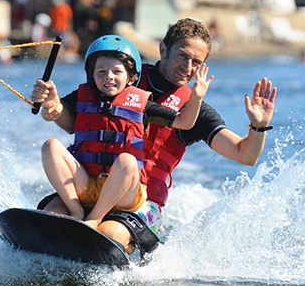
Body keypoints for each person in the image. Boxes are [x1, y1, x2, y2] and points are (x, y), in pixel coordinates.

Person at [32, 18, 277, 256]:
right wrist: (53, 106)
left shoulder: (195, 109)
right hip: (89, 183)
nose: (188, 67)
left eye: (196, 62)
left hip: (138, 201)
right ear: (163, 49)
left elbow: (245, 155)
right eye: (182, 55)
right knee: (52, 218)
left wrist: (258, 126)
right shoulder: (119, 72)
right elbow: (73, 120)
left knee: (109, 234)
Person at [31, 34, 213, 254]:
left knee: (126, 165)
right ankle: (76, 211)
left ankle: (94, 220)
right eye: (101, 72)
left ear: (130, 77)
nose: (109, 77)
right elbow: (56, 113)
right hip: (87, 184)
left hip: (125, 195)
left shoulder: (142, 103)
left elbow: (184, 122)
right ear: (91, 75)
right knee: (51, 146)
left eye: (117, 72)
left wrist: (197, 96)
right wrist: (49, 102)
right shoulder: (82, 96)